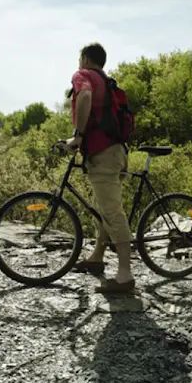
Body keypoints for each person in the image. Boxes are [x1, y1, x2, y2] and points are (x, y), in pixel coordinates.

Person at [62, 42, 136, 294]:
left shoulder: (82, 75)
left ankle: (125, 275)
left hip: (103, 153)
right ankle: (97, 256)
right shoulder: (107, 80)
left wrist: (78, 135)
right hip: (117, 152)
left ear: (84, 58)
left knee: (112, 212)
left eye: (78, 57)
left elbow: (84, 96)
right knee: (102, 208)